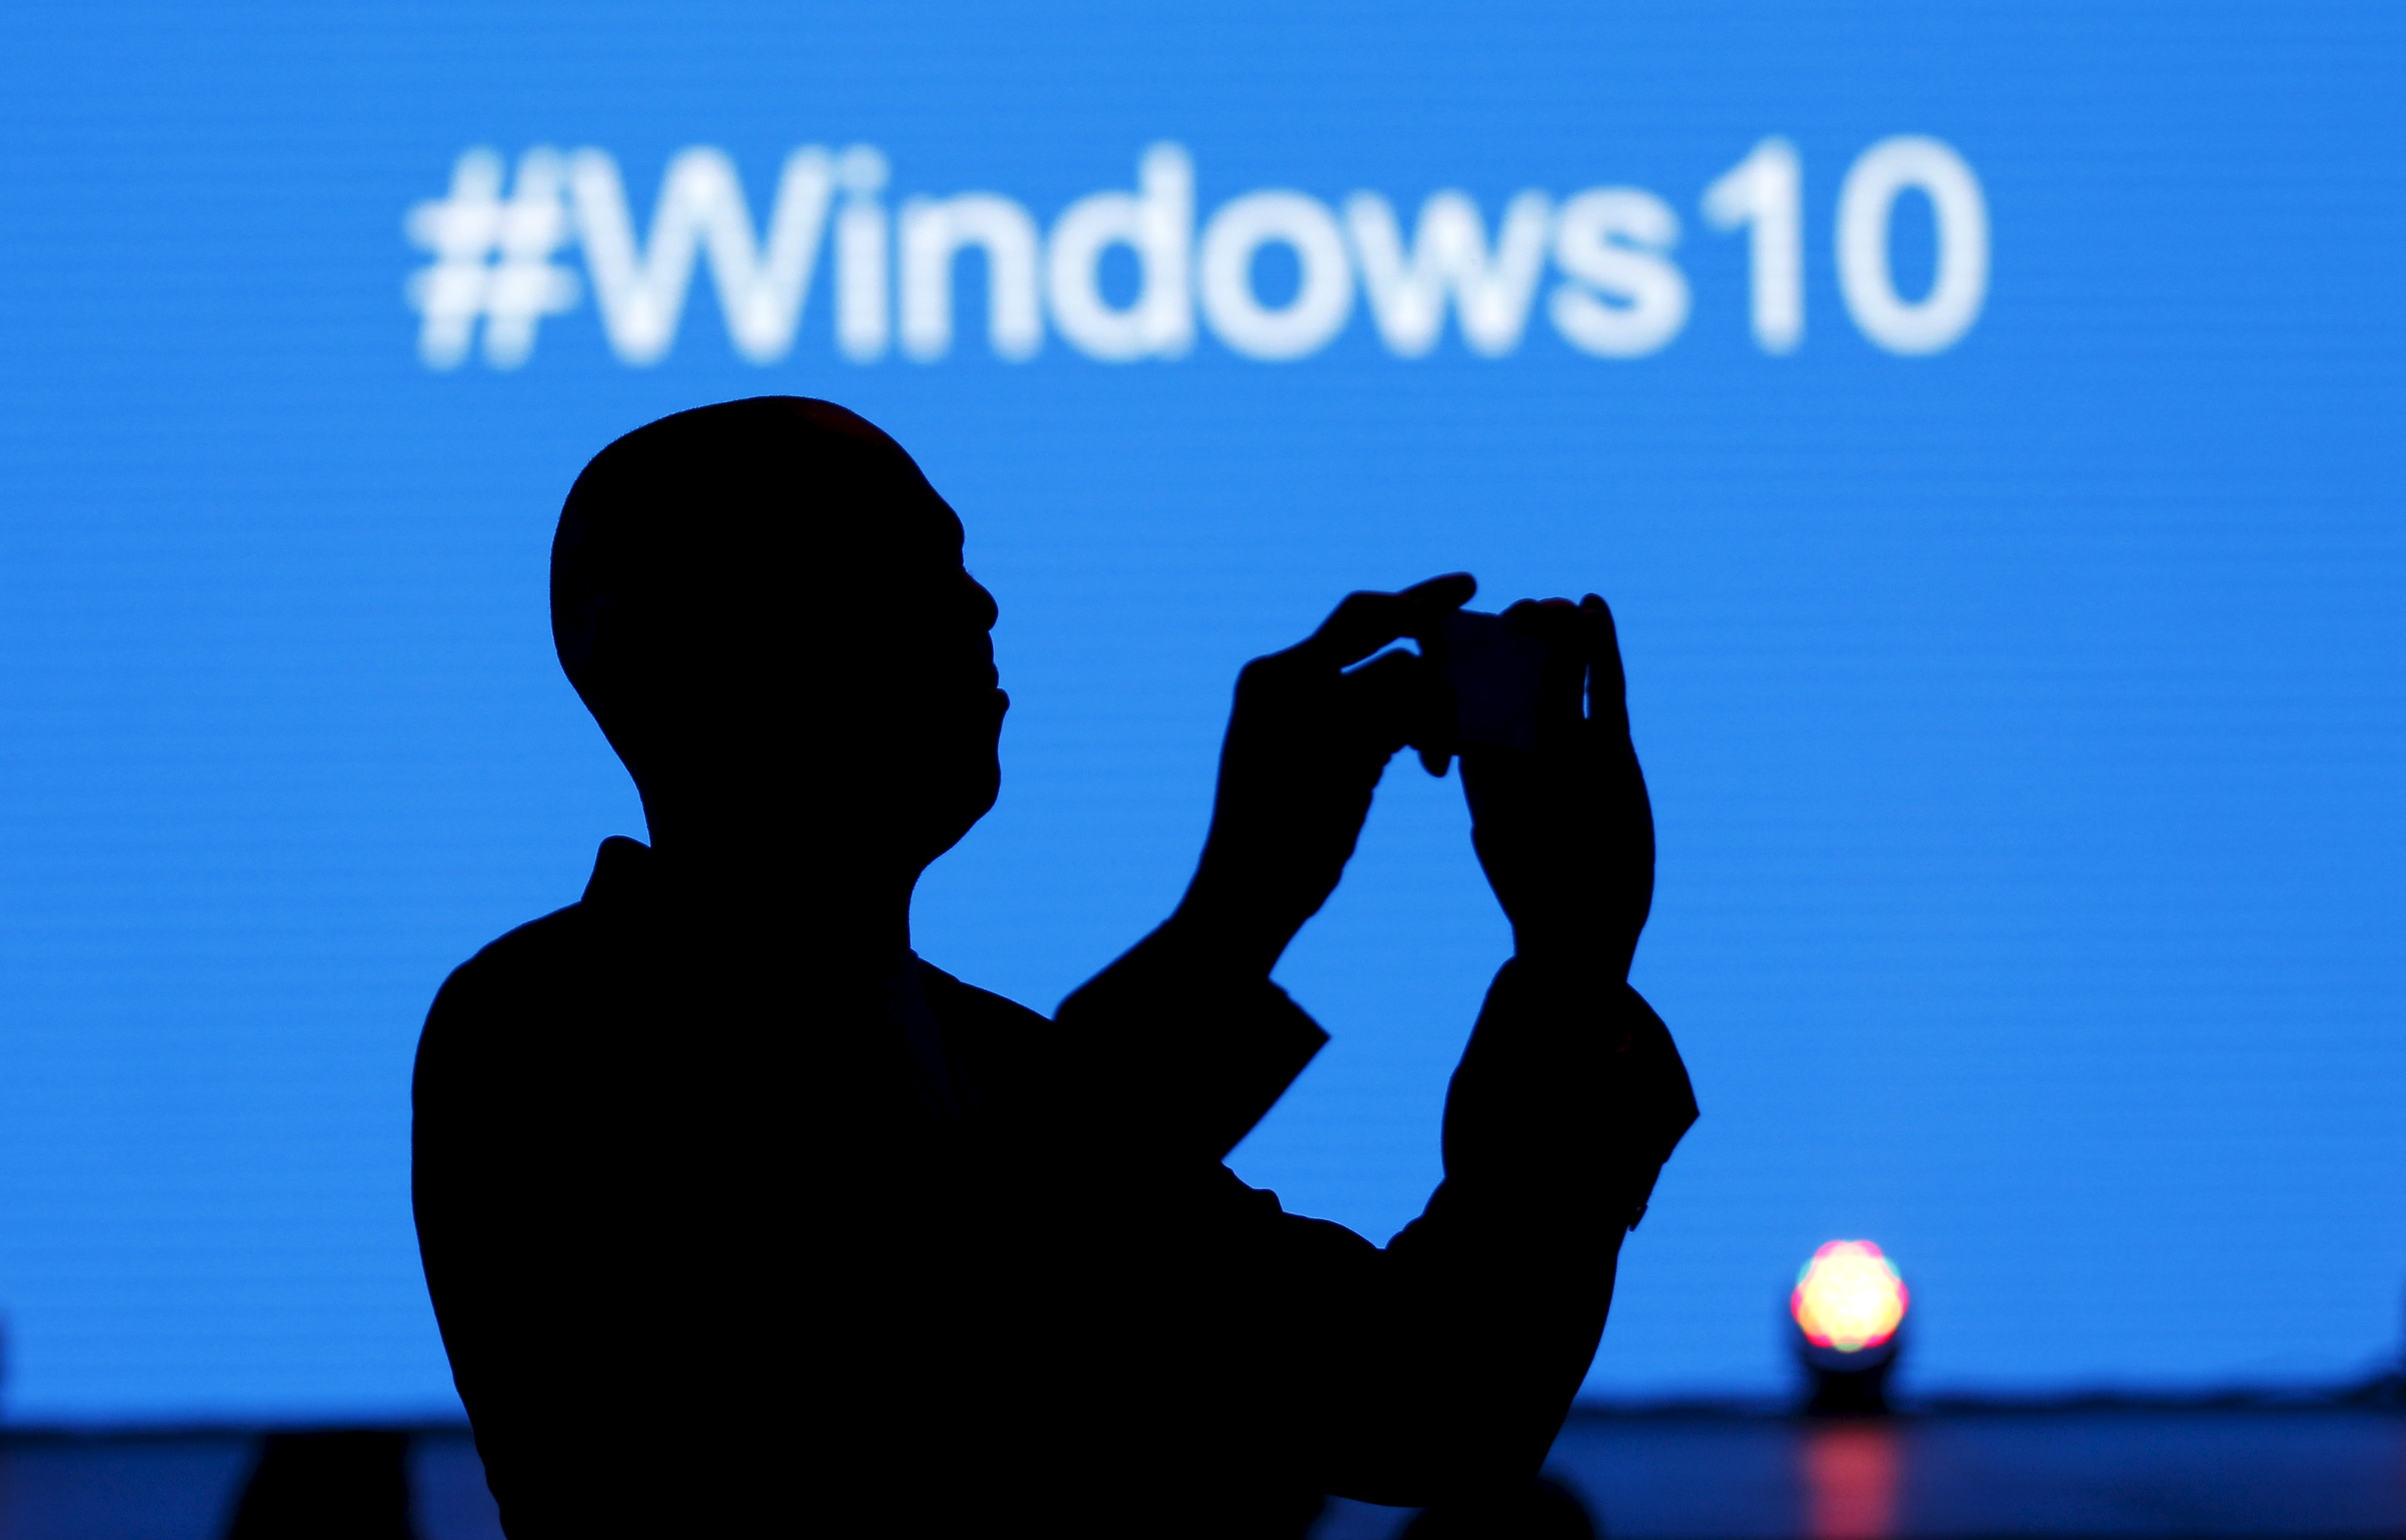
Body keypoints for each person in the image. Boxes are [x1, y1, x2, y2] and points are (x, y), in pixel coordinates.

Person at [411, 397, 1696, 1538]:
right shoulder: (546, 1036)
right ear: (683, 649)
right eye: (896, 562)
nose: (978, 605)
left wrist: (1288, 908)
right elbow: (978, 1300)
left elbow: (1417, 1398)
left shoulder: (985, 1059)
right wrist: (1554, 967)